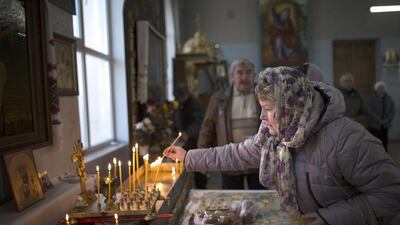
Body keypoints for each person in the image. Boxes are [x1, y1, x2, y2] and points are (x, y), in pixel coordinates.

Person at [164, 66, 400, 225]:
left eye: (267, 109)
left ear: (290, 107)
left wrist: (327, 218)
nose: (261, 118)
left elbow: (390, 194)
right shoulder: (278, 133)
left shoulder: (348, 140)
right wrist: (188, 158)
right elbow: (238, 153)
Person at [197, 58, 264, 190]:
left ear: (254, 75)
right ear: (232, 76)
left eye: (248, 72)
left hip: (259, 161)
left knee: (261, 201)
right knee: (232, 202)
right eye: (240, 72)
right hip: (230, 161)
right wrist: (201, 158)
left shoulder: (265, 95)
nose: (244, 77)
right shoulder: (219, 98)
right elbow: (207, 128)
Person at [172, 82, 207, 188]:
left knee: (198, 168)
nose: (179, 100)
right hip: (185, 141)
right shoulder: (180, 103)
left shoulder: (195, 104)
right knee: (185, 168)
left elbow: (200, 121)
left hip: (195, 141)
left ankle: (201, 191)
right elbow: (176, 117)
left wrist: (188, 133)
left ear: (186, 94)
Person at [367, 81, 396, 151]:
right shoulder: (371, 98)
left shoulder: (388, 98)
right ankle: (375, 153)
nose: (381, 89)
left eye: (382, 87)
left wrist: (388, 119)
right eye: (379, 88)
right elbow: (370, 110)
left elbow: (393, 109)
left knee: (384, 140)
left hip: (385, 124)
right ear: (376, 89)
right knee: (375, 140)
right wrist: (378, 120)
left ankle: (384, 153)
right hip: (374, 124)